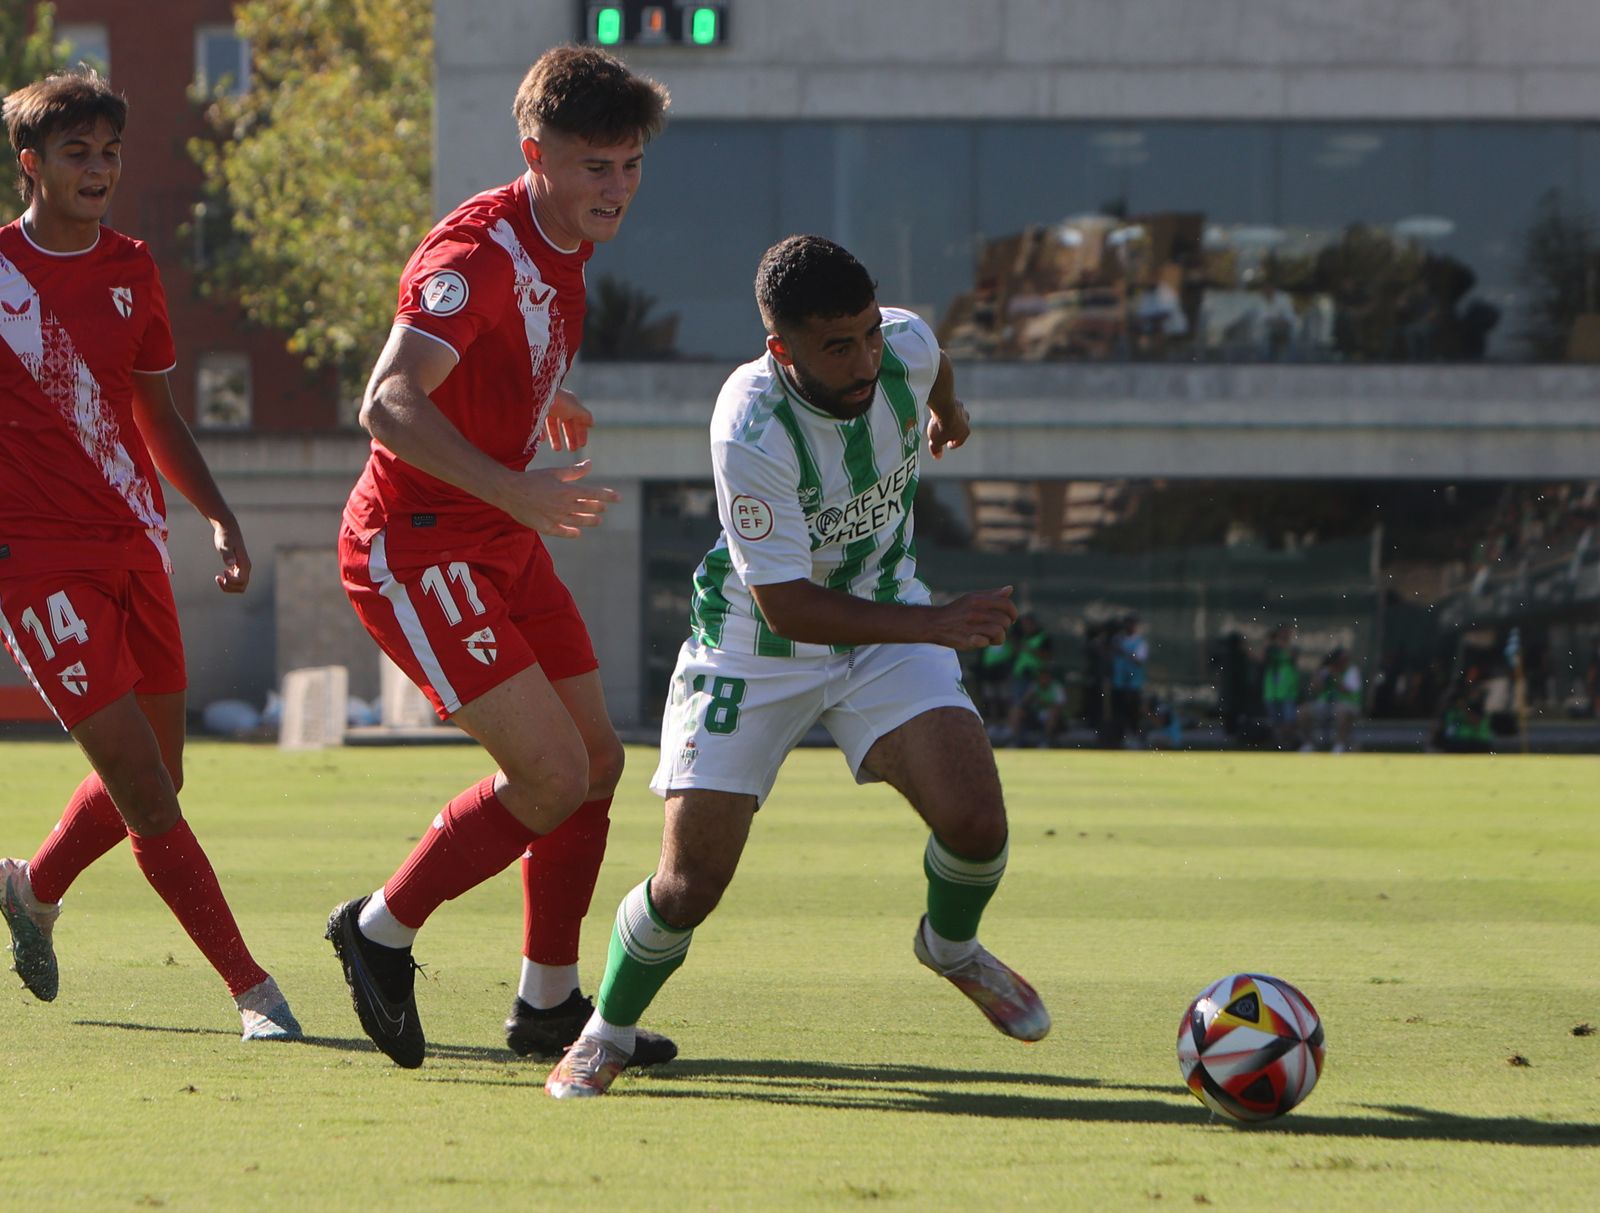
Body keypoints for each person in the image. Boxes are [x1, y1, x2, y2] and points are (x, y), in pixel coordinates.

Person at [543, 235, 1051, 1099]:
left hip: (883, 621)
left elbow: (935, 362)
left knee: (976, 821)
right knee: (690, 881)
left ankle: (951, 945)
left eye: (866, 336)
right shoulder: (750, 424)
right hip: (755, 642)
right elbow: (788, 605)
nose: (863, 360)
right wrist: (934, 622)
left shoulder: (906, 346)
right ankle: (607, 1030)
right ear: (782, 350)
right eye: (836, 346)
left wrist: (948, 415)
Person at [326, 46, 674, 1070]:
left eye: (630, 165)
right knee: (553, 774)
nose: (615, 188)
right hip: (418, 545)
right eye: (593, 166)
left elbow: (496, 348)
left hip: (494, 535)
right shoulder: (475, 252)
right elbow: (386, 403)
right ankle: (379, 929)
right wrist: (516, 485)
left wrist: (537, 393)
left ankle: (547, 1005)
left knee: (597, 765)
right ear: (535, 154)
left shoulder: (562, 234)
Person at [0, 70, 299, 1040]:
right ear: (30, 163)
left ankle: (33, 888)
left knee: (161, 776)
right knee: (137, 780)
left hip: (135, 542)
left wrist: (217, 515)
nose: (99, 170)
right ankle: (254, 991)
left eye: (110, 153)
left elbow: (158, 415)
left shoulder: (133, 267)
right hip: (34, 561)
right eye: (78, 154)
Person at [1299, 646, 1362, 753]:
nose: (1343, 662)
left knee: (1341, 711)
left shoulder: (1352, 670)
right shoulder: (1326, 670)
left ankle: (1339, 745)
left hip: (1347, 705)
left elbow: (1347, 690)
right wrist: (1320, 676)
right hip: (1325, 704)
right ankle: (1308, 744)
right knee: (1303, 711)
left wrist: (1335, 677)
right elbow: (1314, 689)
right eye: (1341, 660)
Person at [1108, 612, 1148, 748]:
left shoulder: (1140, 642)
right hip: (1118, 684)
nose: (1129, 626)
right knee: (1118, 714)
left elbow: (1139, 661)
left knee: (1133, 714)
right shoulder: (1117, 639)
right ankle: (1118, 739)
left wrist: (1124, 651)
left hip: (1133, 685)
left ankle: (1134, 738)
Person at [1261, 623, 1301, 750]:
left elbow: (1292, 657)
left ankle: (1287, 743)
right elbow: (1261, 659)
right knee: (1274, 721)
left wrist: (1282, 643)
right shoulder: (1271, 649)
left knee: (1288, 720)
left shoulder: (1291, 648)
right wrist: (1269, 642)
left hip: (1287, 691)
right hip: (1272, 691)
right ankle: (1277, 744)